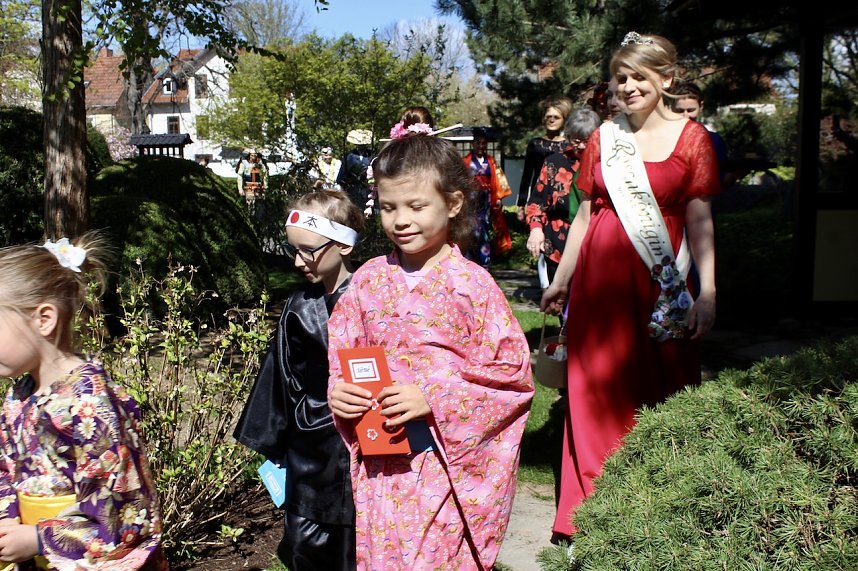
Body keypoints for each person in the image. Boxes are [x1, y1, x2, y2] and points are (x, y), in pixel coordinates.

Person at [540, 32, 720, 542]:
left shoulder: (694, 139)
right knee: (593, 387)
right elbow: (583, 217)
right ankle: (587, 516)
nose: (628, 86)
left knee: (664, 388)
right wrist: (562, 278)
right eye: (621, 77)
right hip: (600, 282)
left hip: (662, 282)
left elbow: (701, 216)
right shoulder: (604, 138)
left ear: (666, 79)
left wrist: (707, 290)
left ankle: (656, 505)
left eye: (639, 76)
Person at [327, 131, 534, 570]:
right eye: (388, 207)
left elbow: (511, 378)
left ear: (453, 204)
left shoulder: (473, 286)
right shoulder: (367, 281)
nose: (401, 220)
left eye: (416, 206)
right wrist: (340, 394)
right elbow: (343, 351)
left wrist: (434, 397)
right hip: (381, 464)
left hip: (442, 465)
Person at [0, 233, 166, 570]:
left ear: (44, 319)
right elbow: (5, 468)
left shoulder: (90, 404)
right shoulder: (19, 394)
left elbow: (121, 510)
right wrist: (7, 517)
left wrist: (38, 538)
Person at [234, 190, 364, 571]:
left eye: (308, 251)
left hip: (364, 439)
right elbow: (281, 377)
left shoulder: (374, 299)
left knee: (360, 544)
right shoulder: (299, 307)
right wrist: (279, 445)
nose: (297, 261)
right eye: (294, 250)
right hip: (312, 446)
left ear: (342, 244)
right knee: (308, 545)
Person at [525, 108, 602, 284]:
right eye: (576, 140)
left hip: (596, 243)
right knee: (561, 303)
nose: (581, 146)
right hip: (559, 243)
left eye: (587, 140)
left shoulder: (606, 163)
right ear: (568, 136)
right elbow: (537, 202)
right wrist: (536, 230)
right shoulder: (554, 162)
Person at [517, 96, 574, 221]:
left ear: (564, 120)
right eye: (549, 117)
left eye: (556, 117)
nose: (552, 120)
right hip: (538, 198)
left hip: (562, 200)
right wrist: (521, 205)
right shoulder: (535, 144)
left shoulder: (570, 146)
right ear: (544, 118)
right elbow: (527, 176)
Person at [669, 81, 735, 188]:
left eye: (690, 110)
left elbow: (721, 180)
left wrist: (735, 174)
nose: (686, 116)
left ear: (701, 106)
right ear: (671, 108)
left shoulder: (714, 140)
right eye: (680, 110)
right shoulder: (661, 138)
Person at [463, 129, 512, 267]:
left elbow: (498, 180)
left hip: (486, 201)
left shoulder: (491, 161)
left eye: (483, 143)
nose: (481, 146)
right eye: (478, 143)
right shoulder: (465, 162)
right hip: (470, 202)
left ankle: (484, 261)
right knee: (471, 229)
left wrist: (498, 198)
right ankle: (469, 260)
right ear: (473, 144)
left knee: (484, 228)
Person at [336, 129, 374, 209]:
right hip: (352, 189)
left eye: (363, 144)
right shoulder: (349, 156)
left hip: (368, 188)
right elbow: (341, 175)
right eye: (359, 144)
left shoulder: (372, 154)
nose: (361, 146)